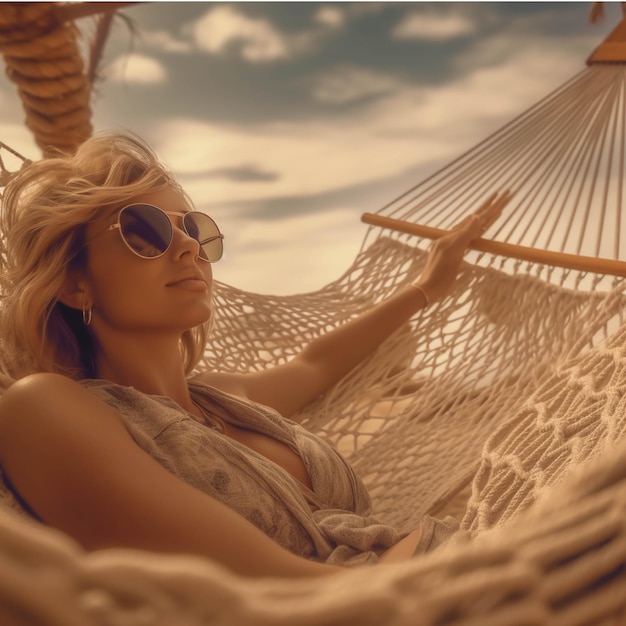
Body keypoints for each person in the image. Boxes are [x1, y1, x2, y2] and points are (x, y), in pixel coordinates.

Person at [0, 132, 511, 578]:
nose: (187, 247)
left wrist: (427, 287)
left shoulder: (225, 398)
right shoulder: (44, 408)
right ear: (75, 285)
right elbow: (274, 595)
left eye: (195, 229)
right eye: (145, 231)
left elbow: (315, 363)